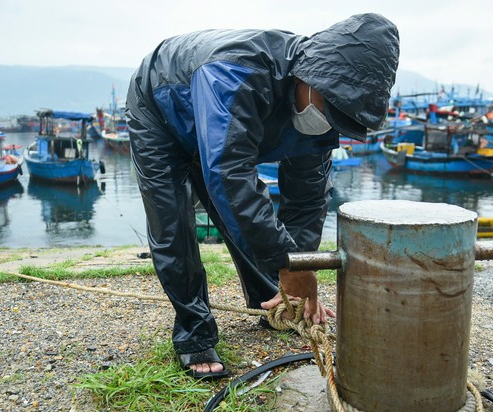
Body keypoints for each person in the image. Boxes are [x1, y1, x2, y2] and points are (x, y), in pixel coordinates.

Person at [126, 13, 399, 379]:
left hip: (217, 131)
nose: (330, 120)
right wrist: (286, 264)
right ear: (311, 75)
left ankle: (270, 300)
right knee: (172, 224)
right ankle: (194, 333)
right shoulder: (237, 73)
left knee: (242, 218)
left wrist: (298, 269)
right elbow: (230, 175)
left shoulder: (320, 110)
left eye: (341, 117)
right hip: (159, 111)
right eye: (330, 109)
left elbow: (308, 200)